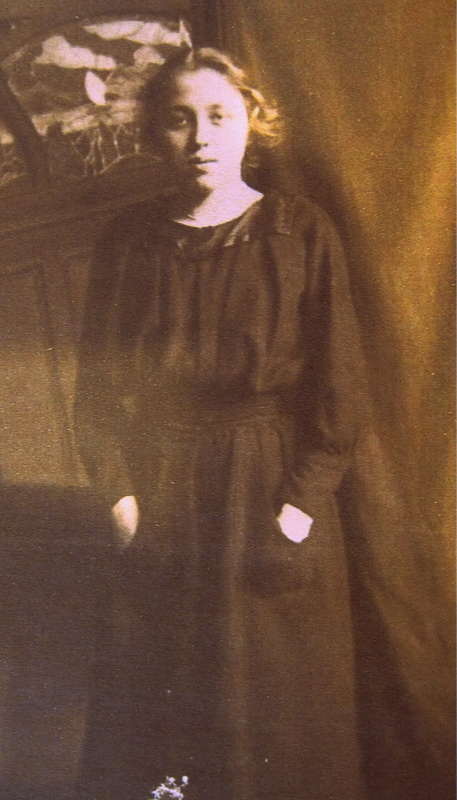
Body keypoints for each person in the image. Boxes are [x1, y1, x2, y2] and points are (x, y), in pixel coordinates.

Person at [74, 47, 369, 800]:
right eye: (179, 120)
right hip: (165, 499)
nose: (200, 137)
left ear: (250, 123)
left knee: (274, 714)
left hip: (266, 493)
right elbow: (97, 400)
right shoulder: (128, 241)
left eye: (218, 116)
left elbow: (340, 393)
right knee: (166, 720)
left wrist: (296, 512)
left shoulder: (299, 232)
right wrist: (123, 502)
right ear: (154, 134)